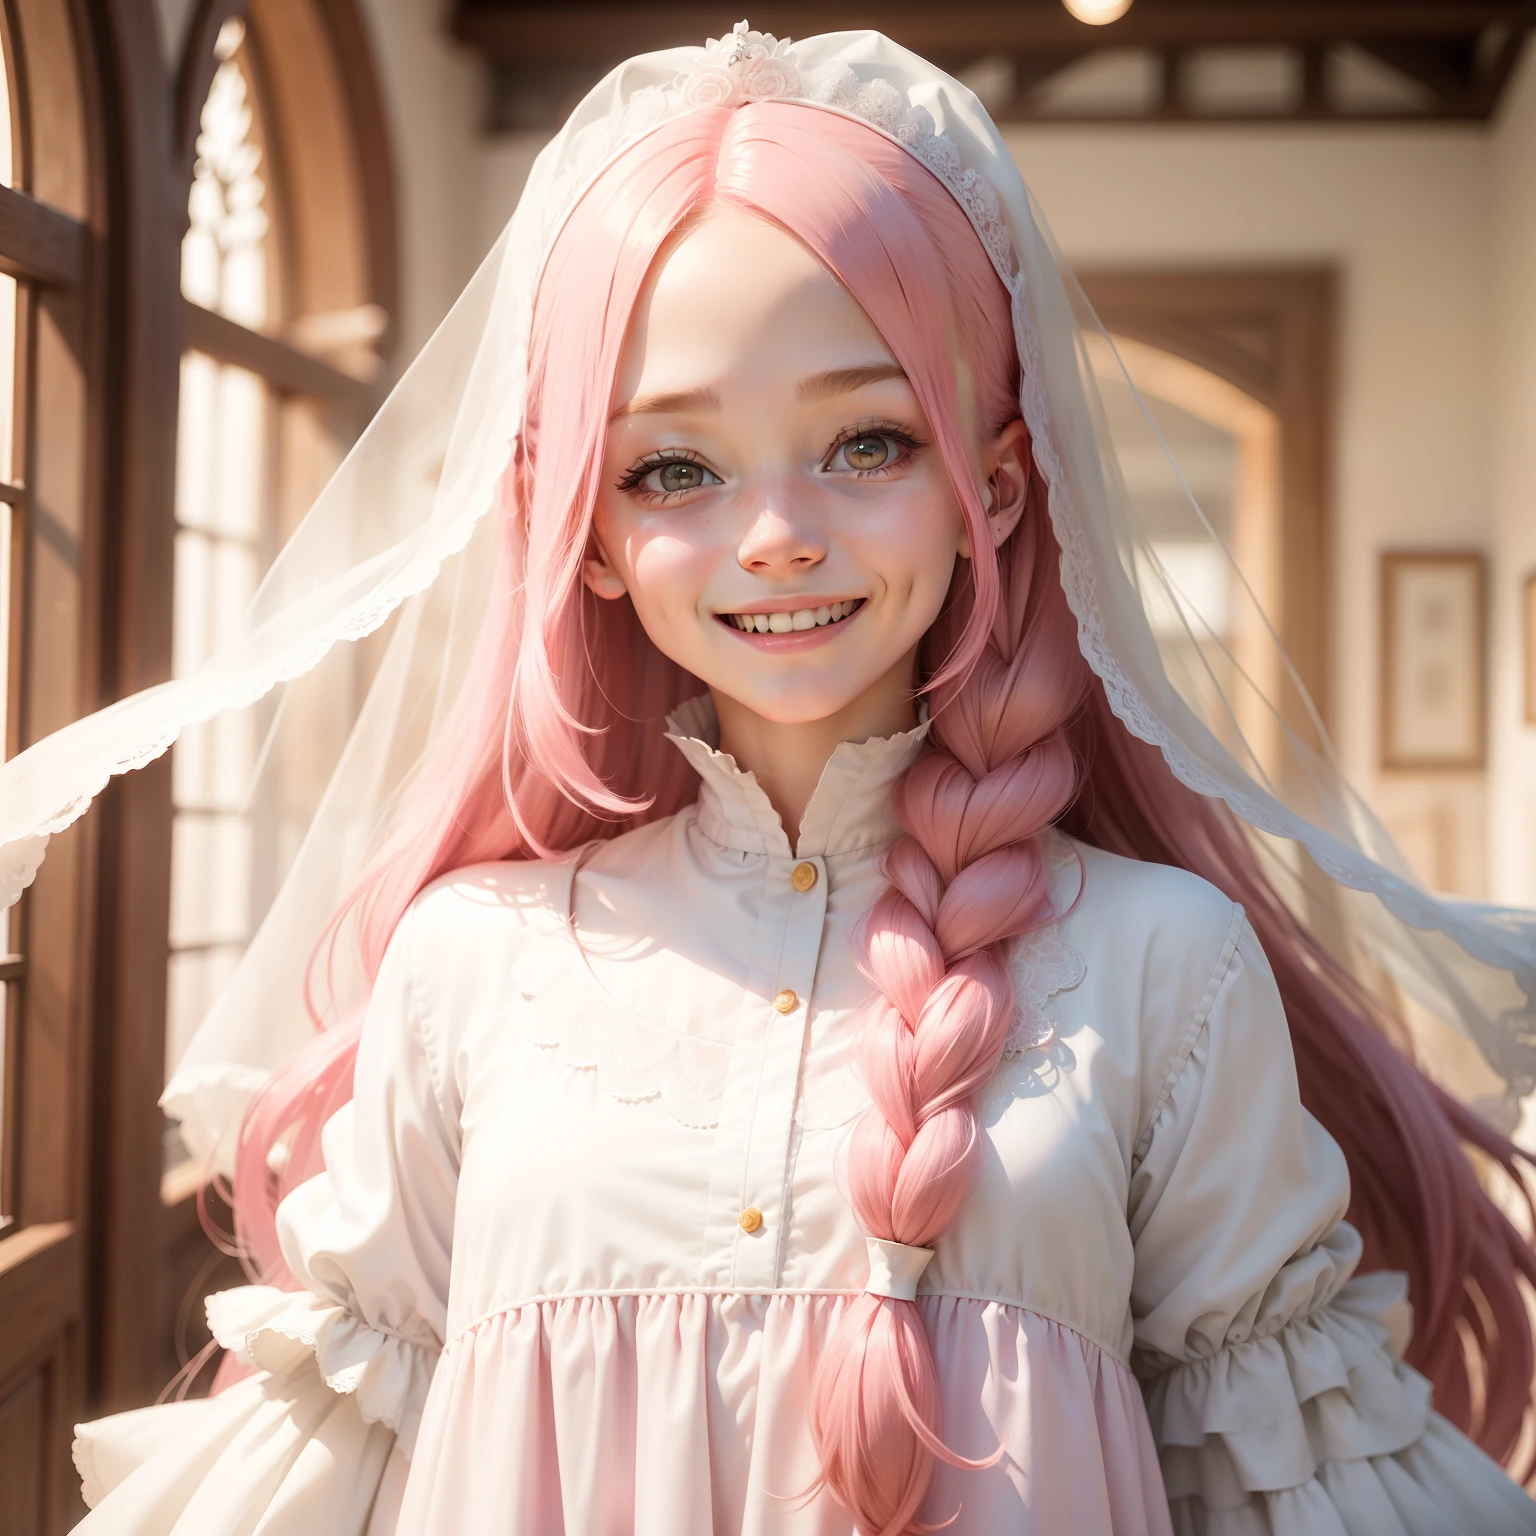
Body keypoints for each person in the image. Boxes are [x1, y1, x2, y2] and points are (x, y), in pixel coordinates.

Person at [12, 21, 1535, 1536]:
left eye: (867, 443)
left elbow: (1279, 1482)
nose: (776, 537)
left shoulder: (1161, 967)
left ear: (990, 487)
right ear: (586, 528)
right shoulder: (471, 962)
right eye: (674, 468)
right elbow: (341, 1457)